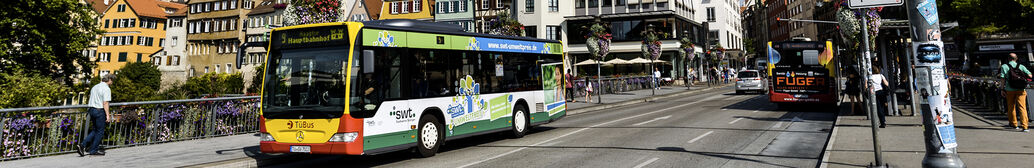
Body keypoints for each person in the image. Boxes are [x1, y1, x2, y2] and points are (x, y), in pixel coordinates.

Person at [78, 74, 115, 156]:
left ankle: (82, 145)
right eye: (112, 80)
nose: (112, 82)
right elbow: (105, 102)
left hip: (91, 109)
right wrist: (108, 115)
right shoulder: (106, 89)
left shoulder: (95, 87)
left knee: (95, 130)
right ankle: (93, 150)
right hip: (99, 110)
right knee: (100, 131)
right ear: (109, 80)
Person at [1000, 53, 1031, 132]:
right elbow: (1030, 75)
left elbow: (1002, 78)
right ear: (1016, 58)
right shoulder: (1021, 66)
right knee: (1022, 107)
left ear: (1008, 59)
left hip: (1009, 89)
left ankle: (1014, 124)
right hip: (1021, 89)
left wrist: (1002, 89)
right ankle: (1025, 126)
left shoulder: (1004, 66)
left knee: (1011, 106)